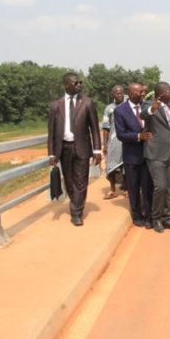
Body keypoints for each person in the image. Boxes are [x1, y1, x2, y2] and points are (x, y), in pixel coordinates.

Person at [47, 72, 102, 226]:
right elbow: (51, 133)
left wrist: (97, 150)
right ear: (66, 84)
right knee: (70, 182)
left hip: (82, 148)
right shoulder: (55, 105)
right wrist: (51, 153)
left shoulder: (87, 103)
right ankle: (75, 203)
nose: (79, 85)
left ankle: (76, 212)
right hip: (63, 149)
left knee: (81, 181)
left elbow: (95, 129)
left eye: (80, 82)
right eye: (76, 83)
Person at [140, 82, 170, 233]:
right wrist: (152, 110)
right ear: (160, 94)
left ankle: (168, 218)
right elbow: (143, 114)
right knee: (161, 187)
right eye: (169, 91)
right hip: (156, 154)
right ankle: (156, 218)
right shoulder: (149, 104)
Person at [114, 82, 153, 228]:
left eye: (143, 92)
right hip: (131, 157)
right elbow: (120, 134)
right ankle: (137, 215)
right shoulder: (120, 111)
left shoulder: (146, 107)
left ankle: (149, 217)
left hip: (148, 155)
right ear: (131, 94)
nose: (143, 94)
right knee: (133, 187)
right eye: (139, 92)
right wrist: (138, 136)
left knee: (148, 187)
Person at [102, 85, 125, 199]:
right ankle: (112, 190)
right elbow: (105, 127)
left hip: (126, 140)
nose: (119, 95)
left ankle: (126, 189)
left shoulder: (128, 107)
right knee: (111, 165)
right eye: (117, 93)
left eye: (121, 93)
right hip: (113, 141)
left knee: (126, 166)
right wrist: (105, 144)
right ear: (113, 95)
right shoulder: (109, 108)